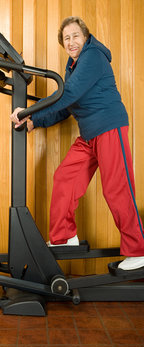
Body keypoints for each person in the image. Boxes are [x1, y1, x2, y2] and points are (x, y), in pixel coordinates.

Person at [10, 16, 144, 271]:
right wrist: (34, 122)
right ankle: (64, 238)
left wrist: (29, 112)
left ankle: (139, 250)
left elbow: (67, 94)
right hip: (89, 135)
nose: (71, 42)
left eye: (76, 36)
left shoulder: (93, 56)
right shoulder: (72, 66)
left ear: (86, 37)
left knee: (116, 189)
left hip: (109, 127)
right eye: (66, 38)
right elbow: (65, 107)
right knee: (65, 178)